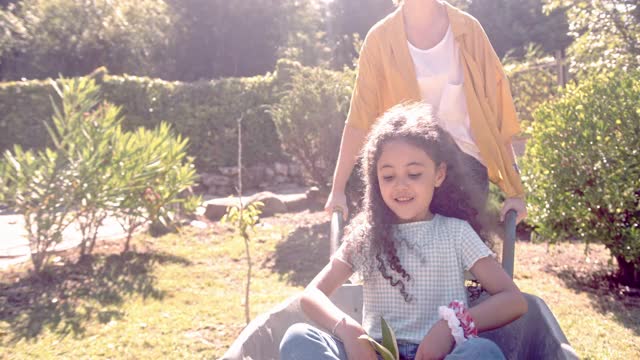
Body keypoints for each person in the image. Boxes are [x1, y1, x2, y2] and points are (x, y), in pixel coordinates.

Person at [280, 103, 528, 360]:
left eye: (414, 173)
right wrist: (350, 332)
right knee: (299, 337)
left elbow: (513, 300)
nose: (400, 186)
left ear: (438, 175)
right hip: (374, 354)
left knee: (482, 351)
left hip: (441, 356)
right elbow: (312, 295)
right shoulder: (367, 236)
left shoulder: (456, 233)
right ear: (376, 180)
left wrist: (447, 328)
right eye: (388, 177)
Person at [325, 0, 527, 224]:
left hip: (465, 171)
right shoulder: (379, 40)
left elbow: (497, 112)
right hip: (406, 171)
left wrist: (515, 191)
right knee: (406, 255)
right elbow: (359, 120)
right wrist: (337, 190)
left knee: (464, 254)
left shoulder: (468, 30)